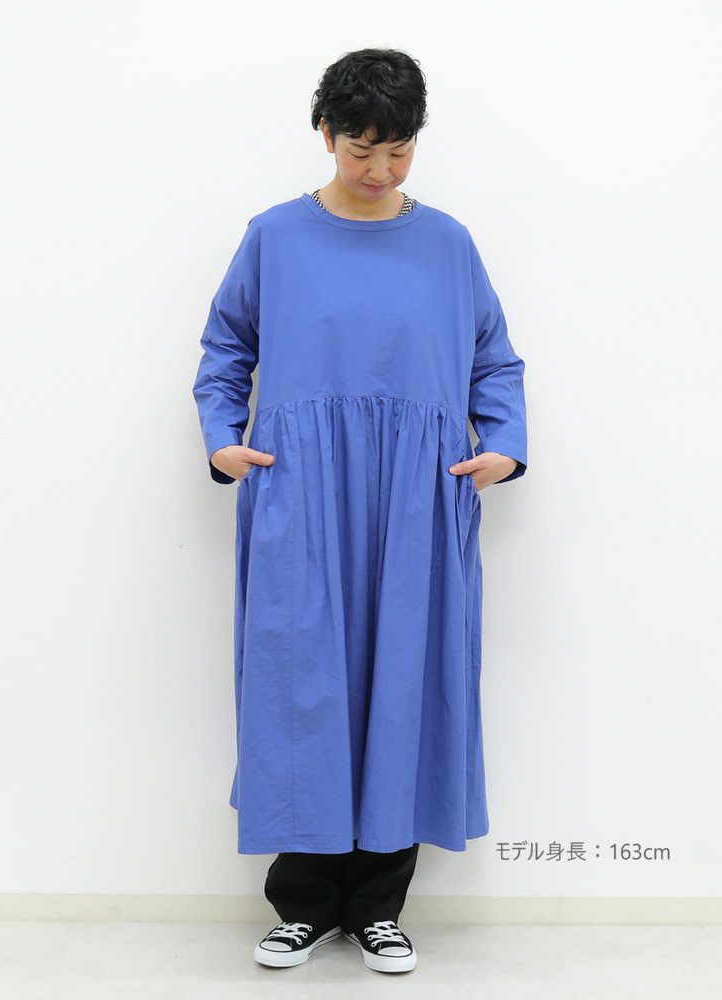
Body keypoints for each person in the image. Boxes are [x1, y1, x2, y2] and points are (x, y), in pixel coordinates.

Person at [192, 47, 528, 974]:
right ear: (326, 135)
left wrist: (504, 444)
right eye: (360, 149)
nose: (380, 169)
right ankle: (303, 907)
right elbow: (226, 348)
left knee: (405, 680)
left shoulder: (448, 244)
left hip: (419, 496)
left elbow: (494, 358)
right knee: (302, 681)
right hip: (302, 489)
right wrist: (222, 439)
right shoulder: (275, 236)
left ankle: (379, 907)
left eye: (398, 150)